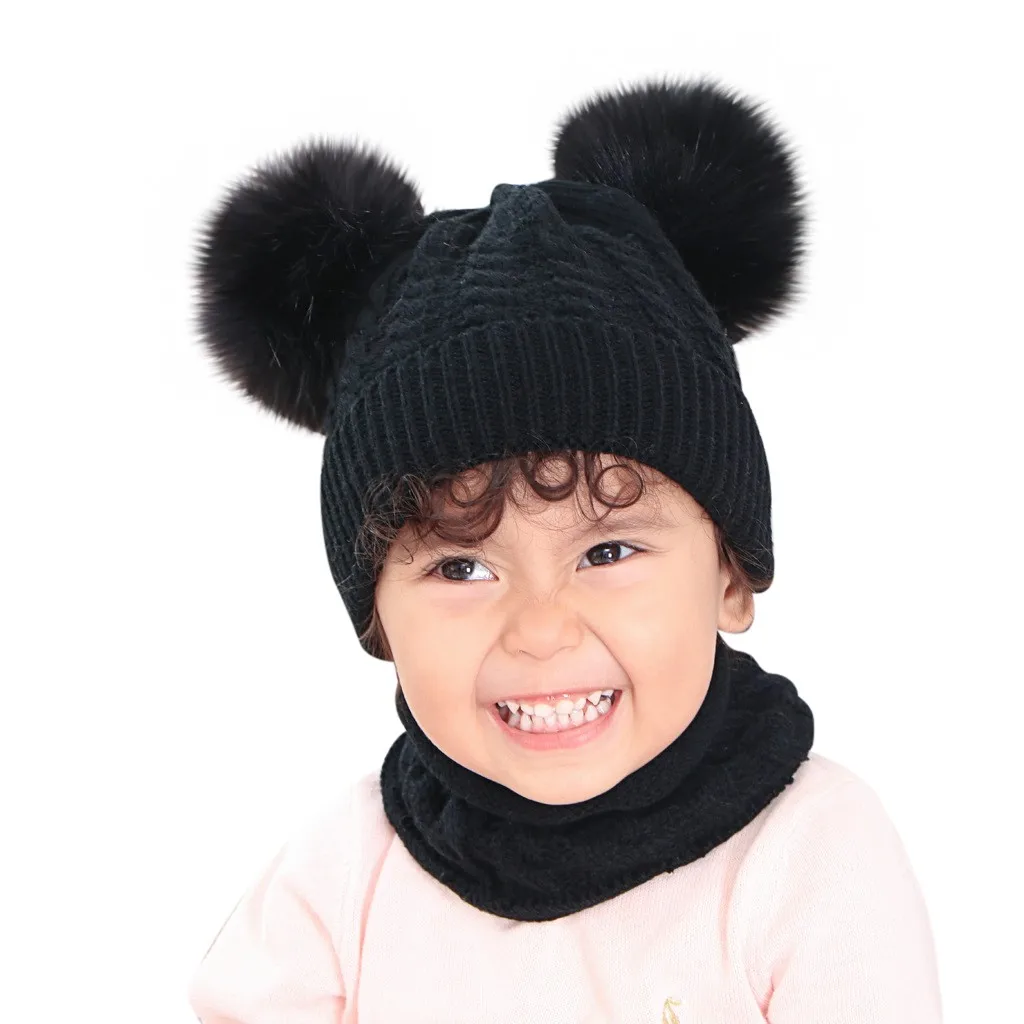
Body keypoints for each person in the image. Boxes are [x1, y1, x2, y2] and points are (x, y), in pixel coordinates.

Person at [185, 74, 943, 1022]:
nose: (541, 630)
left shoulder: (807, 856)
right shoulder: (344, 875)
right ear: (378, 619)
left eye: (608, 552)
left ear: (731, 576)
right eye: (461, 566)